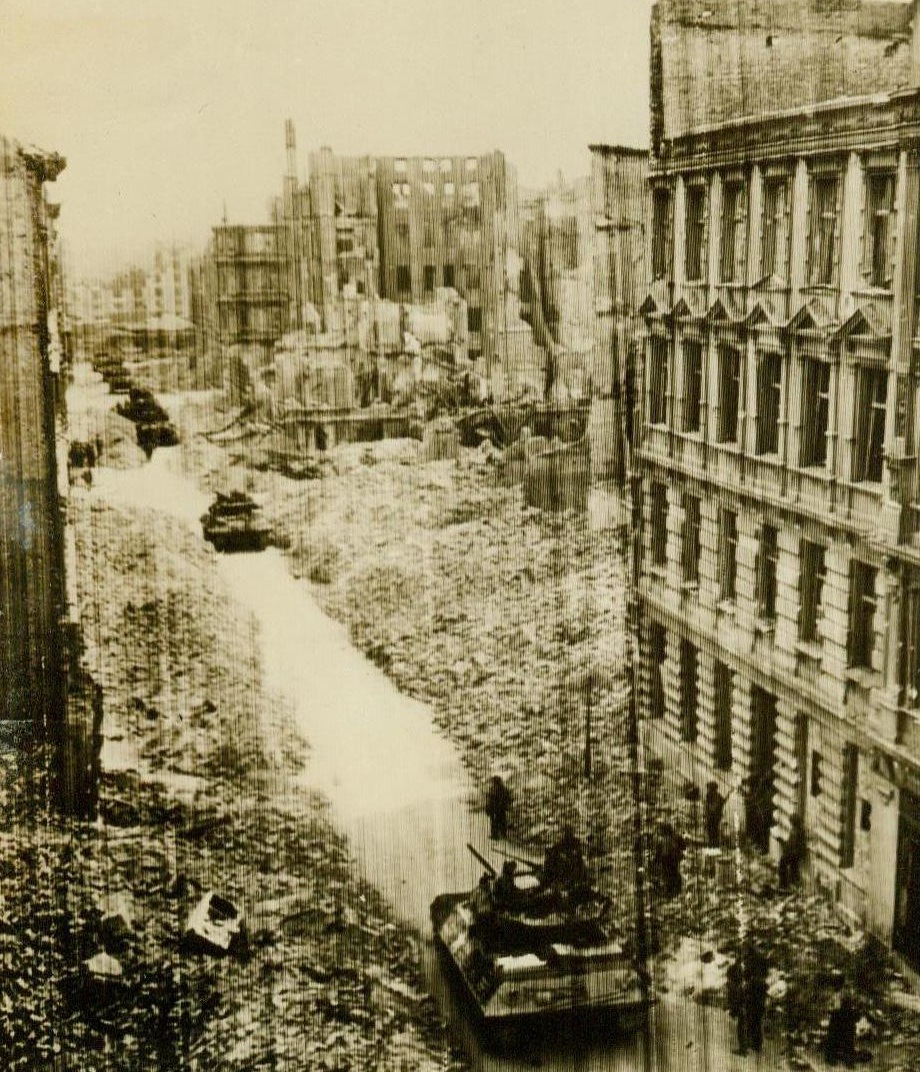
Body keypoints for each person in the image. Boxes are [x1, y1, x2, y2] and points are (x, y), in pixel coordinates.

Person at [824, 988, 858, 1066]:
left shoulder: (836, 1012)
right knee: (848, 1044)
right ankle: (848, 1062)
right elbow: (856, 1018)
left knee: (836, 1041)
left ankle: (832, 1059)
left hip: (839, 1034)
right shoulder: (850, 1012)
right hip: (845, 1034)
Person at [778, 813, 806, 890]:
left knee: (783, 862)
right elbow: (791, 843)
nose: (791, 824)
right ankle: (789, 883)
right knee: (793, 867)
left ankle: (783, 884)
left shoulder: (798, 832)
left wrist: (786, 846)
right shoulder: (795, 830)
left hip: (795, 854)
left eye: (792, 822)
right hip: (793, 853)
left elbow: (795, 845)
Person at [485, 775, 511, 840]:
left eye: (493, 782)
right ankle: (503, 834)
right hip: (500, 809)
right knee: (502, 821)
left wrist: (488, 808)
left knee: (495, 822)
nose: (492, 783)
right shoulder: (503, 789)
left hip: (496, 809)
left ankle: (495, 835)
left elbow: (490, 800)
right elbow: (508, 799)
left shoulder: (494, 789)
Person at [704, 781, 726, 849]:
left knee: (715, 831)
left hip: (716, 817)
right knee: (710, 831)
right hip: (710, 816)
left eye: (709, 788)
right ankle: (711, 845)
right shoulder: (708, 795)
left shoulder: (718, 796)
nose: (708, 790)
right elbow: (708, 805)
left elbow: (719, 805)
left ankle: (715, 845)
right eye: (708, 788)